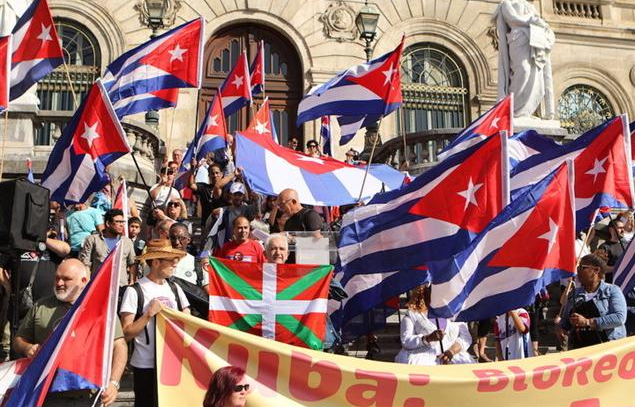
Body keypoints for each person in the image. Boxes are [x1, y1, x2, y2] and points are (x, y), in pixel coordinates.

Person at [13, 259, 127, 406]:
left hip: (88, 394)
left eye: (66, 279)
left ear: (84, 280)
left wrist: (114, 382)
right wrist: (27, 348)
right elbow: (18, 340)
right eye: (57, 278)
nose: (59, 283)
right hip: (46, 394)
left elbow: (120, 346)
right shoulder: (41, 306)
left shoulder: (101, 309)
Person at [120, 239, 190, 407]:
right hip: (145, 365)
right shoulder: (134, 291)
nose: (175, 264)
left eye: (176, 260)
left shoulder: (175, 288)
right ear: (156, 262)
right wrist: (148, 315)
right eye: (171, 260)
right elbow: (126, 333)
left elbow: (187, 320)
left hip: (172, 363)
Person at [494, 0, 555, 118]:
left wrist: (541, 25)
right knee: (523, 70)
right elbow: (512, 19)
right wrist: (531, 20)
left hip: (534, 41)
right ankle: (515, 110)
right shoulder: (507, 3)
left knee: (535, 75)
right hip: (518, 38)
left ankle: (526, 111)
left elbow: (537, 21)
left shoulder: (530, 6)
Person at [560, 254, 627, 350]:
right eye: (578, 267)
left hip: (608, 348)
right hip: (580, 349)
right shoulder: (574, 293)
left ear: (596, 270)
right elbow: (565, 322)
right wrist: (561, 328)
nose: (578, 271)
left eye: (582, 267)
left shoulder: (612, 291)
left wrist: (588, 322)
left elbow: (619, 318)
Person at [395, 285, 473, 365]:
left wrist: (452, 351)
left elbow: (466, 338)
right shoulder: (413, 314)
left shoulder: (455, 313)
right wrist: (427, 338)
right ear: (424, 291)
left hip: (454, 359)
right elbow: (406, 340)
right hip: (422, 361)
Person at [79, 209, 136, 287]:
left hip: (120, 287)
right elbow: (85, 263)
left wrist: (132, 283)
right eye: (118, 222)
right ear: (108, 223)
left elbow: (132, 263)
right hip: (98, 286)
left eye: (123, 222)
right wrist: (88, 285)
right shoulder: (93, 239)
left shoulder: (127, 242)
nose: (122, 225)